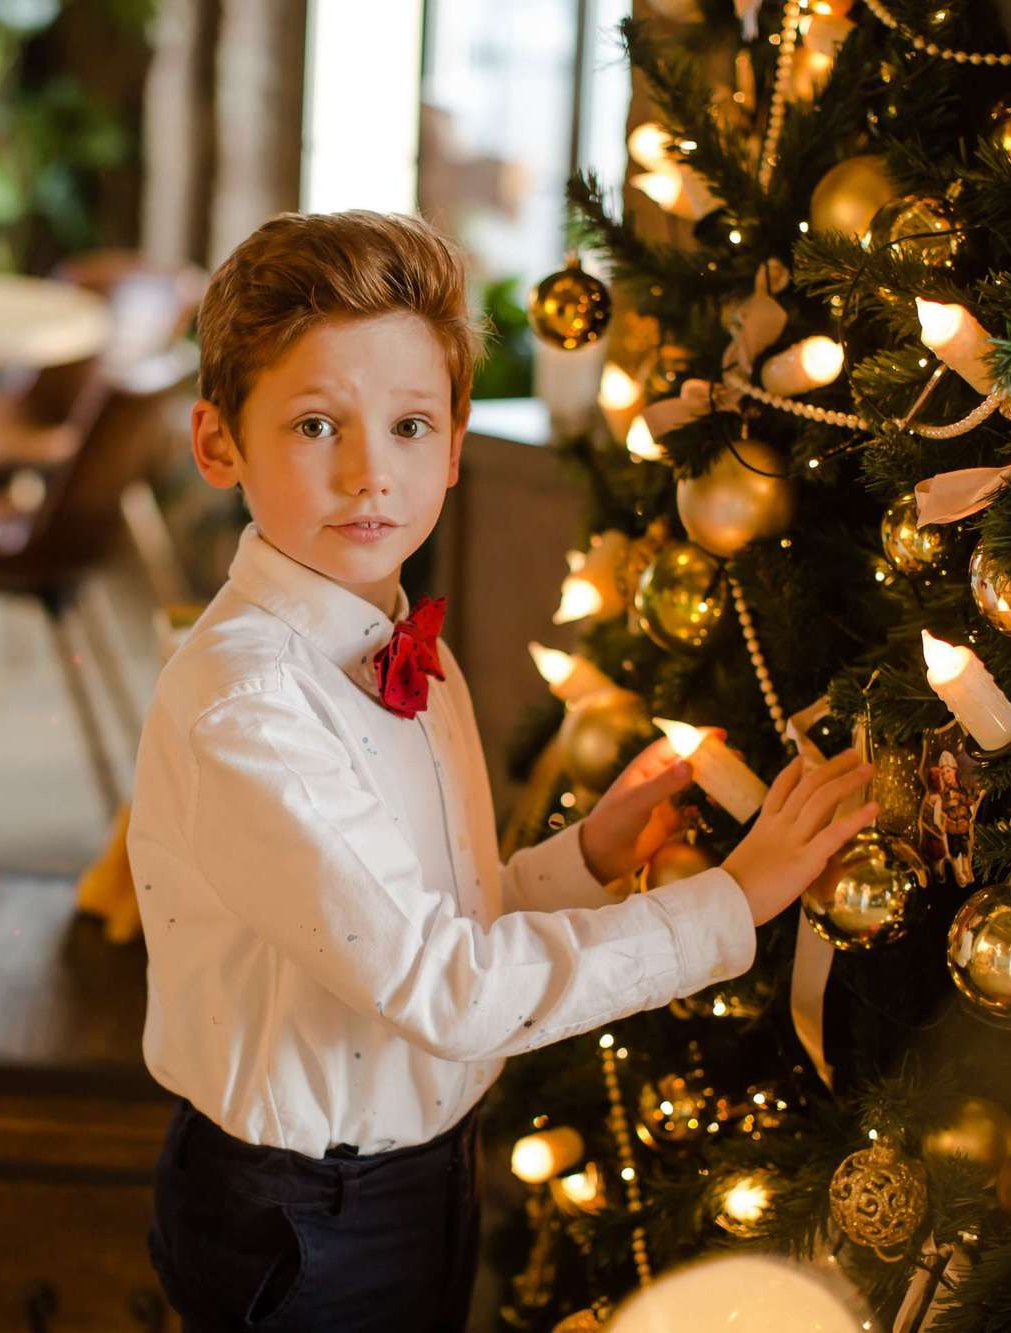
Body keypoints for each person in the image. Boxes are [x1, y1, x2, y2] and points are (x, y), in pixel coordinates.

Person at [127, 210, 876, 1332]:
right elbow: (449, 988)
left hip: (421, 1174)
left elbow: (422, 925)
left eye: (411, 424)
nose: (372, 474)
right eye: (317, 424)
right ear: (216, 443)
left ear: (457, 443)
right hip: (300, 1218)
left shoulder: (398, 645)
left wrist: (585, 857)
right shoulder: (249, 705)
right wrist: (733, 900)